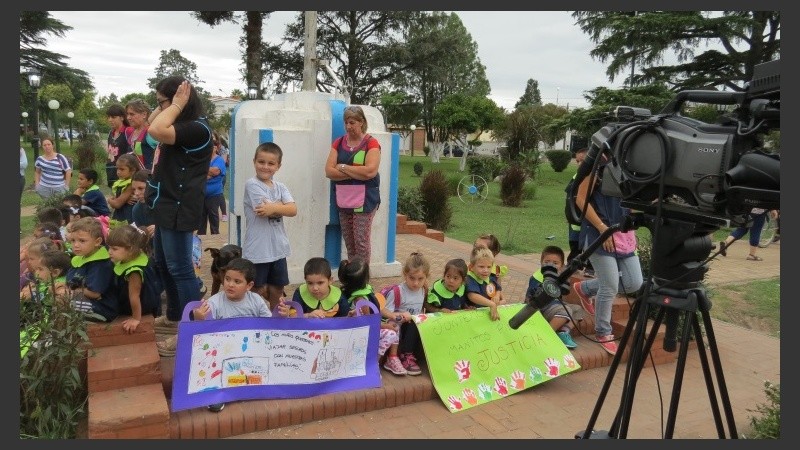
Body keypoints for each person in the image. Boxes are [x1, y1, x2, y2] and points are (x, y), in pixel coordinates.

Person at [145, 77, 214, 355]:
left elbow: (156, 128)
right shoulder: (180, 124)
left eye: (163, 101)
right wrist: (166, 104)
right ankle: (174, 316)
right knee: (162, 262)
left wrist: (175, 104)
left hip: (180, 206)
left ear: (180, 100)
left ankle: (191, 333)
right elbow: (152, 128)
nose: (159, 107)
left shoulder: (197, 129)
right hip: (166, 203)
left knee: (181, 269)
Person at [571, 154, 643, 356]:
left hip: (623, 236)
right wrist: (603, 228)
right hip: (598, 234)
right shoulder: (599, 168)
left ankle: (585, 288)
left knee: (634, 283)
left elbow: (629, 203)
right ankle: (603, 331)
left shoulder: (632, 170)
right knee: (609, 285)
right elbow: (581, 198)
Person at [186, 257, 272, 413]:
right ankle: (217, 396)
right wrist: (199, 318)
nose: (230, 284)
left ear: (249, 285)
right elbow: (202, 334)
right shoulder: (214, 302)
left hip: (251, 351)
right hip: (223, 354)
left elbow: (269, 325)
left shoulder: (256, 301)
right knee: (214, 367)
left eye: (237, 281)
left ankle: (252, 387)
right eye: (227, 279)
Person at [241, 142, 297, 310]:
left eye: (271, 163)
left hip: (278, 249)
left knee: (277, 288)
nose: (265, 167)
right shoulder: (252, 184)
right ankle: (256, 321)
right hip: (258, 250)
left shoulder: (281, 187)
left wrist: (274, 207)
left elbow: (293, 209)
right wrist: (281, 206)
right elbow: (263, 210)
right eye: (261, 162)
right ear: (254, 162)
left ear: (278, 166)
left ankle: (275, 321)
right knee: (256, 289)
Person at [324, 105, 381, 264]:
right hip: (344, 200)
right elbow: (329, 172)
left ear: (361, 122)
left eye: (352, 123)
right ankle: (353, 278)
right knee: (350, 242)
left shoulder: (371, 143)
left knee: (361, 242)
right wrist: (357, 172)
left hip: (365, 201)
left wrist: (343, 167)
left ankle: (363, 280)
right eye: (346, 123)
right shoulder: (338, 143)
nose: (348, 127)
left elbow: (370, 172)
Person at [337, 257, 404, 376]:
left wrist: (392, 315)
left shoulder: (363, 291)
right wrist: (387, 326)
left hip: (370, 326)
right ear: (365, 278)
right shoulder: (360, 300)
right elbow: (367, 324)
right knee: (391, 334)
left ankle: (386, 360)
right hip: (362, 333)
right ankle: (372, 363)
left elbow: (378, 308)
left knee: (394, 325)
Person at [380, 252, 430, 376]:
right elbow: (385, 312)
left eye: (420, 279)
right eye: (412, 278)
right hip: (396, 327)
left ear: (426, 277)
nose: (416, 283)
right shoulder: (398, 292)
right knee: (396, 323)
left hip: (411, 328)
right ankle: (396, 357)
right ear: (405, 274)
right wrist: (400, 315)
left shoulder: (424, 290)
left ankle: (414, 354)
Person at [526, 245, 585, 349]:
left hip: (555, 306)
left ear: (562, 266)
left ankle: (563, 332)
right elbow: (530, 299)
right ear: (541, 263)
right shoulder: (537, 277)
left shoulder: (559, 276)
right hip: (540, 308)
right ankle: (544, 336)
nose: (551, 265)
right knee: (565, 311)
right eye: (547, 262)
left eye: (555, 263)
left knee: (577, 310)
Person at [106, 224, 162, 334]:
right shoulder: (136, 254)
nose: (109, 252)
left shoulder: (134, 271)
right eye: (109, 247)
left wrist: (136, 318)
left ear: (130, 249)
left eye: (114, 249)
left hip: (140, 306)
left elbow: (134, 296)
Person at [66, 217, 119, 322]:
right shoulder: (80, 258)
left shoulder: (101, 264)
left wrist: (71, 292)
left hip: (103, 309)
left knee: (61, 300)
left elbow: (95, 293)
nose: (76, 245)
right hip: (86, 301)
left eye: (82, 241)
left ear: (97, 241)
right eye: (73, 240)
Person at [276, 257, 349, 318]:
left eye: (320, 283)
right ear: (305, 280)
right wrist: (308, 315)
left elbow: (346, 319)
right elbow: (292, 316)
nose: (315, 288)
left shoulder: (339, 297)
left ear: (330, 280)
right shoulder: (300, 293)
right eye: (310, 283)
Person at [567, 147, 594, 276]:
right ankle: (572, 266)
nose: (578, 164)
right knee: (574, 243)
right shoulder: (577, 175)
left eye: (582, 161)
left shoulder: (593, 177)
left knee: (589, 243)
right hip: (573, 218)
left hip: (586, 219)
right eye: (577, 161)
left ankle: (590, 267)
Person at [465, 246, 506, 321]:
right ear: (471, 267)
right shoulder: (470, 279)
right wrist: (492, 304)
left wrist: (497, 296)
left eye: (489, 267)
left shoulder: (490, 277)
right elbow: (472, 296)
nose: (486, 270)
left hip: (488, 315)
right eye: (481, 267)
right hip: (473, 318)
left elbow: (498, 288)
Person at [197, 135, 226, 235]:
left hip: (214, 195)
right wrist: (207, 173)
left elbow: (216, 171)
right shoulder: (203, 159)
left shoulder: (219, 160)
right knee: (201, 218)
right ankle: (201, 239)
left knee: (213, 217)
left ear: (215, 148)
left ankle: (215, 238)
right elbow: (196, 172)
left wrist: (202, 171)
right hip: (201, 194)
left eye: (212, 146)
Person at [106, 153, 140, 224]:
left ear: (133, 170)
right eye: (117, 168)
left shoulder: (131, 184)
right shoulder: (121, 182)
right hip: (120, 214)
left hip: (127, 217)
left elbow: (117, 204)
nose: (118, 172)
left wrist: (109, 200)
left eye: (122, 169)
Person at [125, 98, 158, 170]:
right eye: (127, 114)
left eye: (132, 114)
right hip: (135, 178)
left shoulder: (151, 133)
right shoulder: (130, 132)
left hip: (149, 178)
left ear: (144, 114)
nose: (128, 118)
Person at [105, 104, 132, 189]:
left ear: (122, 117)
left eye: (113, 117)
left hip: (124, 173)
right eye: (108, 117)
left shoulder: (128, 131)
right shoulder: (111, 133)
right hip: (111, 171)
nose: (110, 120)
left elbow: (132, 155)